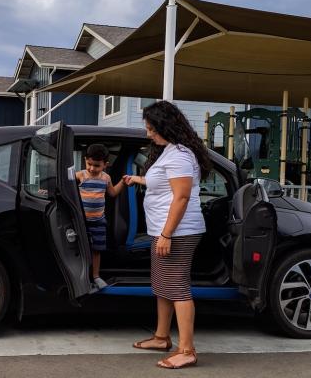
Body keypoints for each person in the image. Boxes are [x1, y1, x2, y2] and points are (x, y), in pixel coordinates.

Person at [124, 101, 212, 369]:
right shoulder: (170, 152)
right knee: (163, 286)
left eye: (152, 129)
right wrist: (137, 180)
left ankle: (187, 350)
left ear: (166, 126)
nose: (148, 133)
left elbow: (182, 197)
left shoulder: (180, 155)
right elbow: (163, 183)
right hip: (166, 231)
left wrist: (166, 234)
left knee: (177, 289)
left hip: (178, 232)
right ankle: (162, 337)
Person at [76, 143, 126, 289]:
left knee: (97, 250)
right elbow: (65, 186)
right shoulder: (80, 175)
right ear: (85, 160)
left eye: (96, 165)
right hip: (82, 221)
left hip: (98, 221)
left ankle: (96, 276)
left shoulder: (106, 178)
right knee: (81, 249)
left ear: (105, 164)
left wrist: (123, 182)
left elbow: (113, 193)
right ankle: (81, 275)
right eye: (89, 164)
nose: (91, 168)